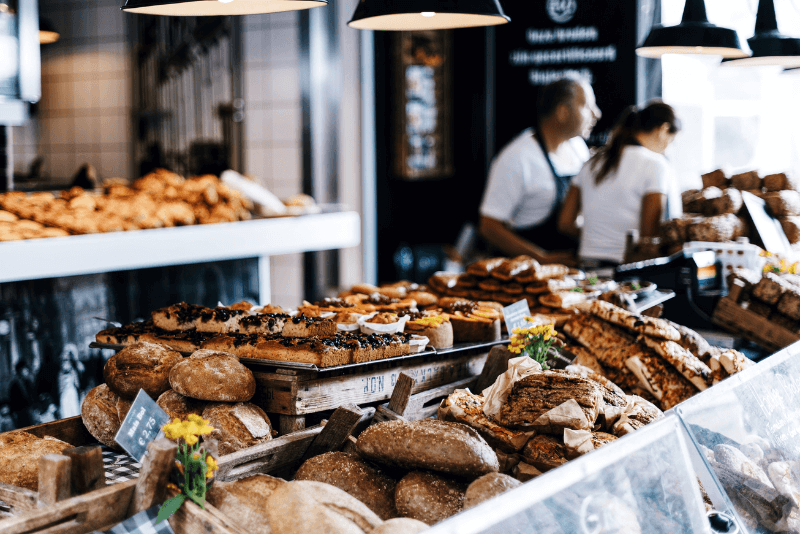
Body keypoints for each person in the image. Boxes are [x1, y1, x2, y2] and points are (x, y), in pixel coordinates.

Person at [479, 76, 602, 264]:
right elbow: (489, 227)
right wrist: (541, 259)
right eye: (587, 106)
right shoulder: (517, 158)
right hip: (528, 276)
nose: (597, 114)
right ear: (562, 112)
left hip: (572, 270)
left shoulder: (578, 147)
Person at [558, 101, 681, 266]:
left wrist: (598, 237)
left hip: (587, 267)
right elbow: (649, 237)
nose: (668, 148)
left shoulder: (592, 162)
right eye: (672, 141)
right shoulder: (656, 165)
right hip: (627, 271)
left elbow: (565, 223)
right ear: (663, 130)